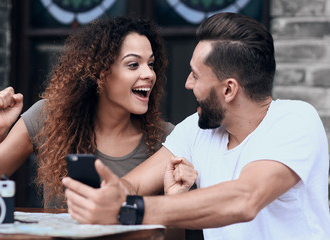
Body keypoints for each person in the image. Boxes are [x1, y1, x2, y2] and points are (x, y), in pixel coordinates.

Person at [63, 12, 330, 239]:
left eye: (195, 75)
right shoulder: (197, 129)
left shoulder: (295, 121)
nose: (187, 83)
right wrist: (106, 196)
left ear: (228, 90)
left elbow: (244, 199)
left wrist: (129, 209)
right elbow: (132, 187)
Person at [0, 16, 178, 209]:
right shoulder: (48, 117)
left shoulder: (166, 138)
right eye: (133, 64)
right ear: (99, 73)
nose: (149, 74)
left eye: (151, 64)